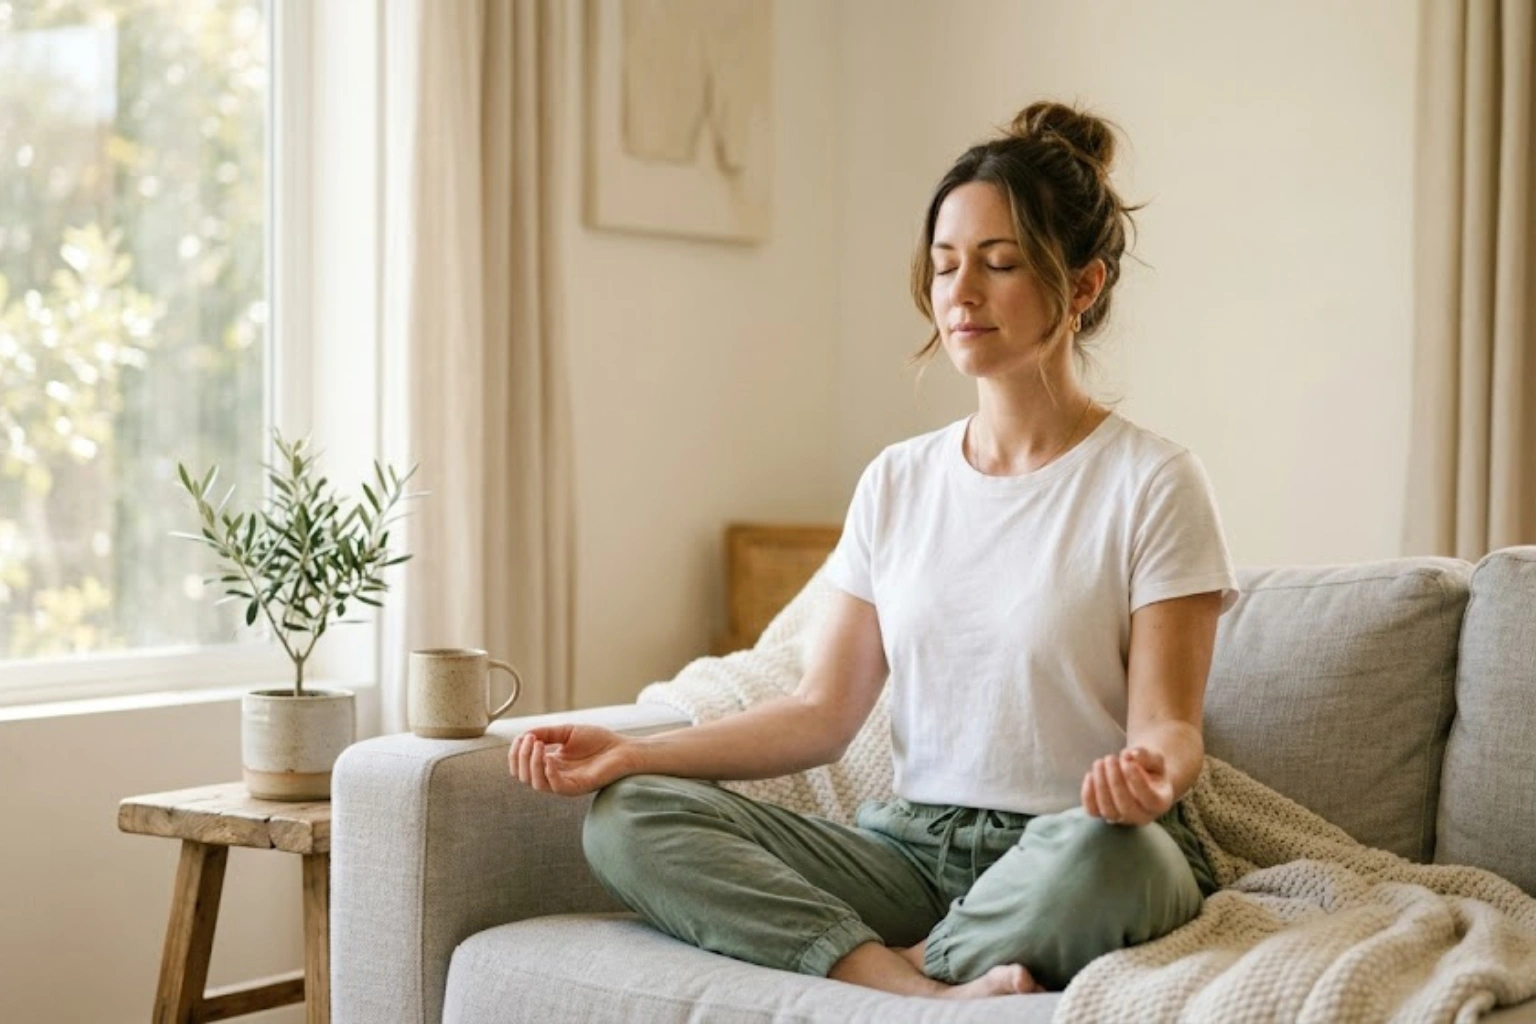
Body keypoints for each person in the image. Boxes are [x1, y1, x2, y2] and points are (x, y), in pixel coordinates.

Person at [510, 100, 1237, 1000]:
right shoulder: (898, 481)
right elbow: (822, 711)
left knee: (1124, 865)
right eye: (944, 266)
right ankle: (908, 986)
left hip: (1073, 841)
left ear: (1082, 287)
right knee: (626, 820)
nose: (960, 293)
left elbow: (1169, 725)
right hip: (911, 852)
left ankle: (901, 972)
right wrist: (632, 753)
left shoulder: (1154, 482)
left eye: (999, 264)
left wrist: (1150, 775)